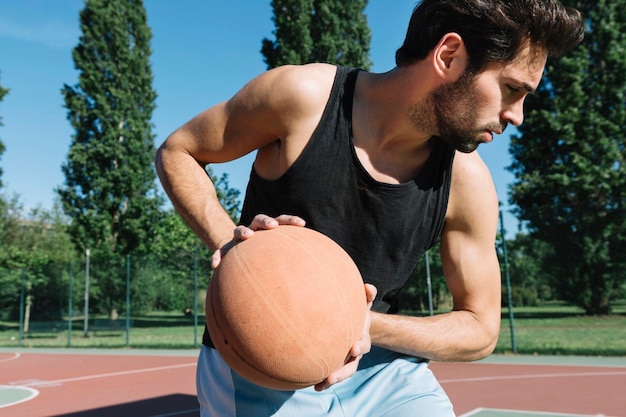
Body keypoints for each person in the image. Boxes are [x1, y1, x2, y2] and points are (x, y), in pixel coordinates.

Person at [155, 1, 584, 415]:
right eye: (511, 89)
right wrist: (230, 242)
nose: (517, 116)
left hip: (386, 373)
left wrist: (361, 323)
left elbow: (480, 328)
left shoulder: (467, 182)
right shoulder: (302, 99)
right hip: (264, 362)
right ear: (449, 55)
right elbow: (179, 152)